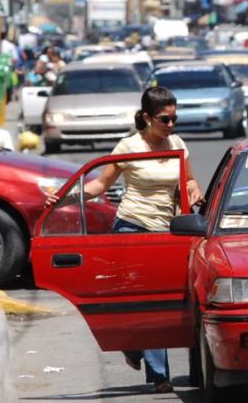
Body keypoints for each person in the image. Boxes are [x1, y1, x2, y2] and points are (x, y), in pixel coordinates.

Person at [44, 86, 203, 394]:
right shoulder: (128, 146)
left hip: (168, 231)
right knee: (150, 301)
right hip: (132, 227)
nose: (171, 125)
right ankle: (160, 376)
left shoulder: (178, 143)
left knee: (171, 298)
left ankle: (133, 343)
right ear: (146, 117)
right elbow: (100, 184)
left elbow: (189, 179)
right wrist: (65, 198)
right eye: (164, 119)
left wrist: (194, 189)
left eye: (174, 118)